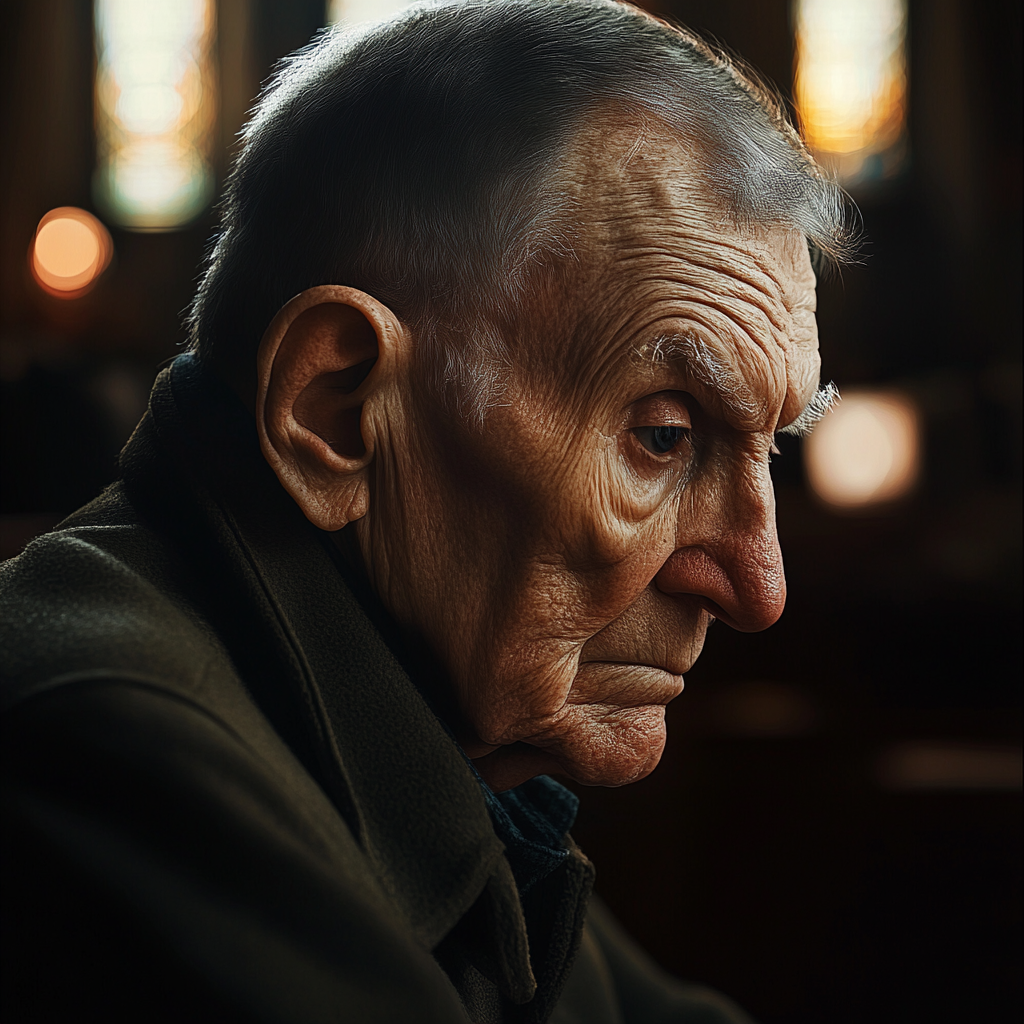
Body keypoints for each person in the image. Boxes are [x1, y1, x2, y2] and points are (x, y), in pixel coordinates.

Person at [0, 2, 849, 1021]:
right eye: (664, 438)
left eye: (771, 448)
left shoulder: (433, 731)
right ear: (337, 407)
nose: (757, 584)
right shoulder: (112, 740)